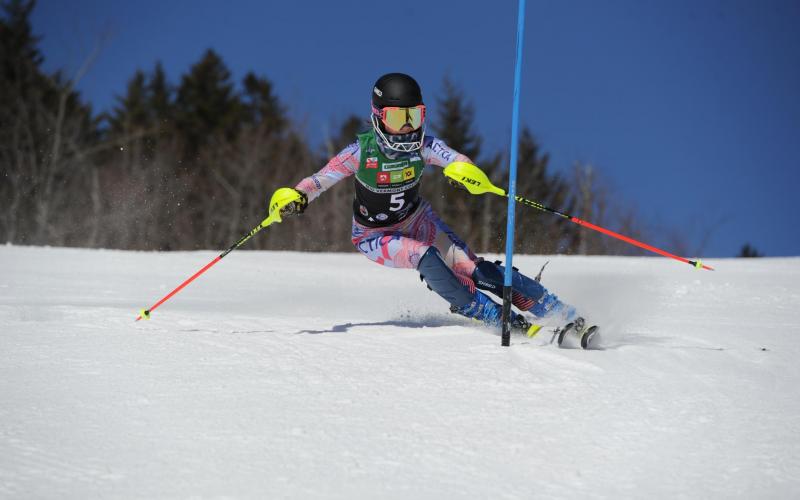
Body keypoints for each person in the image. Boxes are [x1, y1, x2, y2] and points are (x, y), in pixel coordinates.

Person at [272, 72, 586, 337]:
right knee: (426, 257)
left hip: (417, 221)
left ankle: (557, 311)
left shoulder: (424, 146)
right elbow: (318, 181)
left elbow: (456, 159)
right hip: (375, 236)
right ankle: (500, 320)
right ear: (378, 118)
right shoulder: (360, 153)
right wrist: (296, 197)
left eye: (415, 116)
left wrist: (464, 172)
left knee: (474, 269)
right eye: (398, 118)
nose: (408, 127)